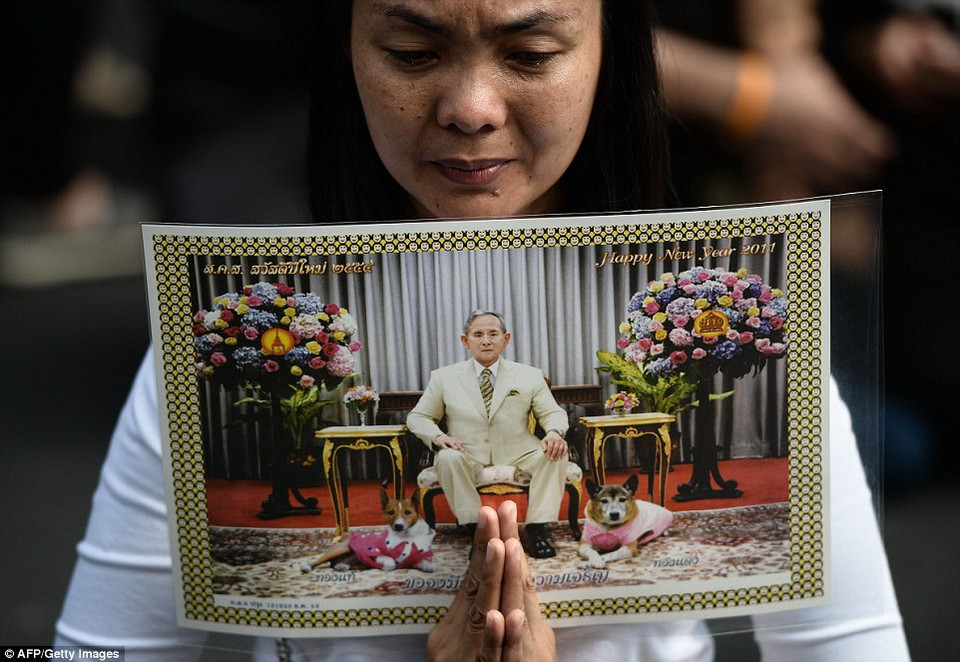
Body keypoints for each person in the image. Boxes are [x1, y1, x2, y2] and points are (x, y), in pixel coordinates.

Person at [56, 1, 910, 660]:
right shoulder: (209, 347)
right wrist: (441, 442)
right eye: (411, 54)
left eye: (532, 54)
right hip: (462, 472)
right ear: (347, 51)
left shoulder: (749, 311)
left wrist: (551, 444)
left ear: (611, 51)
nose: (470, 108)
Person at [407, 310, 569, 558]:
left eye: (493, 334)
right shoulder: (443, 378)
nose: (486, 340)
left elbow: (552, 413)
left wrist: (555, 432)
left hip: (519, 449)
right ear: (465, 340)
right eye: (478, 334)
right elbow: (418, 417)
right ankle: (478, 532)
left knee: (555, 453)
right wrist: (438, 437)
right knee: (448, 458)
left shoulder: (530, 375)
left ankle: (537, 530)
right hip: (466, 451)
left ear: (506, 338)